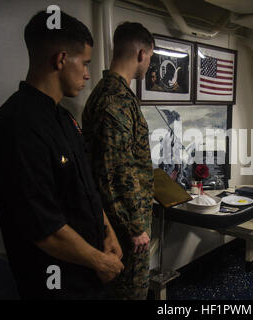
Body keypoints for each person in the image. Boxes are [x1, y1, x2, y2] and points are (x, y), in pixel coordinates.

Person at [0, 10, 124, 300]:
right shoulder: (17, 125)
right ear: (61, 59)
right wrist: (99, 260)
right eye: (86, 63)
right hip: (54, 285)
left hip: (87, 275)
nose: (88, 74)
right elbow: (44, 228)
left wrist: (107, 232)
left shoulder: (64, 119)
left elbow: (83, 187)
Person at [82, 22, 154, 300]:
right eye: (150, 57)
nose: (148, 64)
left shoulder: (111, 93)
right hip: (123, 229)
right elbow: (115, 170)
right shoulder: (115, 101)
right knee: (129, 293)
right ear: (140, 54)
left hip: (117, 222)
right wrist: (135, 227)